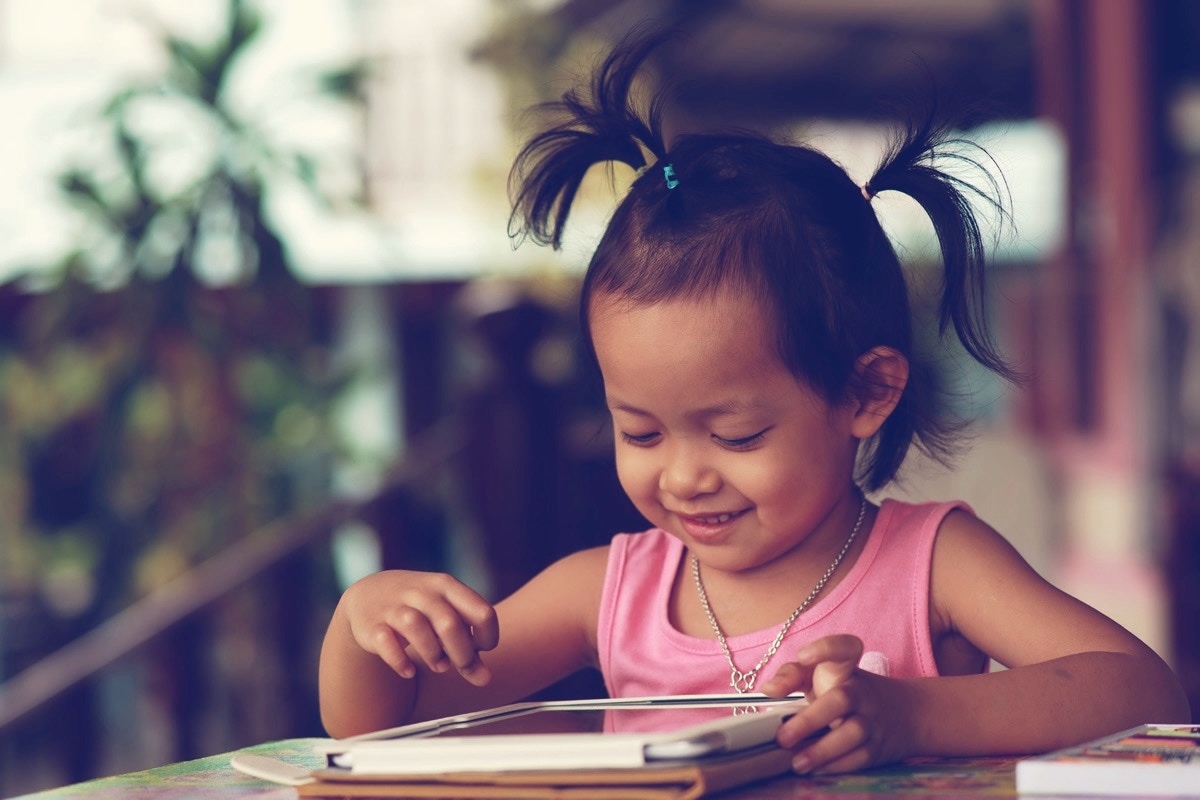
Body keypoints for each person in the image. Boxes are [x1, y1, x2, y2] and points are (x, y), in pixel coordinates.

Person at [319, 33, 1190, 773]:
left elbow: (1142, 689)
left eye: (735, 433)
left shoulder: (932, 564)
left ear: (866, 391)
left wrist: (916, 716)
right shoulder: (607, 593)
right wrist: (362, 630)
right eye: (641, 430)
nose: (685, 475)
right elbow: (381, 727)